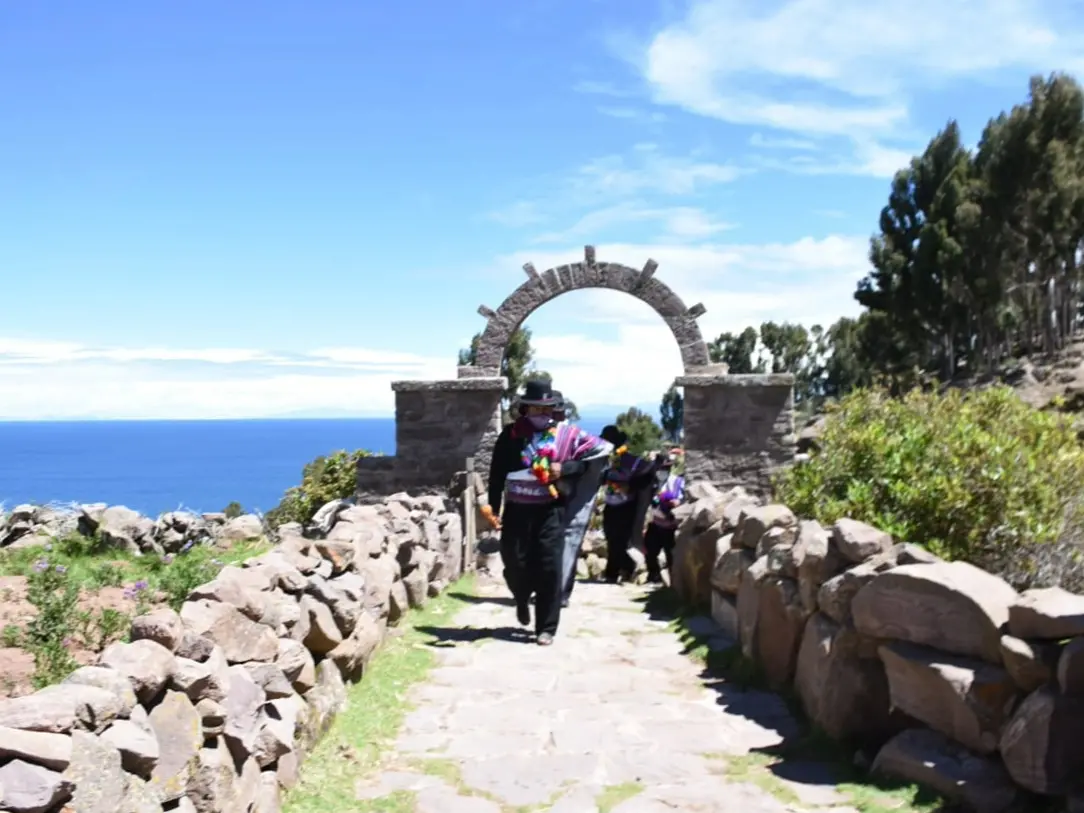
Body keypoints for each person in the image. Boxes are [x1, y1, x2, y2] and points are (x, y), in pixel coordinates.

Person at [486, 379, 607, 645]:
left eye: (548, 409)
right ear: (525, 409)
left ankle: (546, 628)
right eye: (538, 409)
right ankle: (520, 596)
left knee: (549, 566)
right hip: (517, 510)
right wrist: (494, 509)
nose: (544, 414)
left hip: (551, 510)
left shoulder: (567, 436)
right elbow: (496, 475)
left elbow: (585, 464)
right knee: (515, 562)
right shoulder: (511, 436)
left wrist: (563, 469)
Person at [599, 426, 660, 584]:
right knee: (612, 537)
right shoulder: (605, 460)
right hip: (612, 504)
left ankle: (615, 572)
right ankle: (624, 569)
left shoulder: (630, 460)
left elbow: (645, 470)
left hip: (627, 505)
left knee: (619, 539)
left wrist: (629, 484)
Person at [643, 450, 685, 583]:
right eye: (659, 468)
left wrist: (676, 503)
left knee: (671, 554)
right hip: (656, 523)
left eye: (664, 468)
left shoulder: (678, 482)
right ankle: (653, 576)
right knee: (650, 550)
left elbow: (685, 500)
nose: (661, 471)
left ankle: (673, 581)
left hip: (671, 526)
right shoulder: (652, 483)